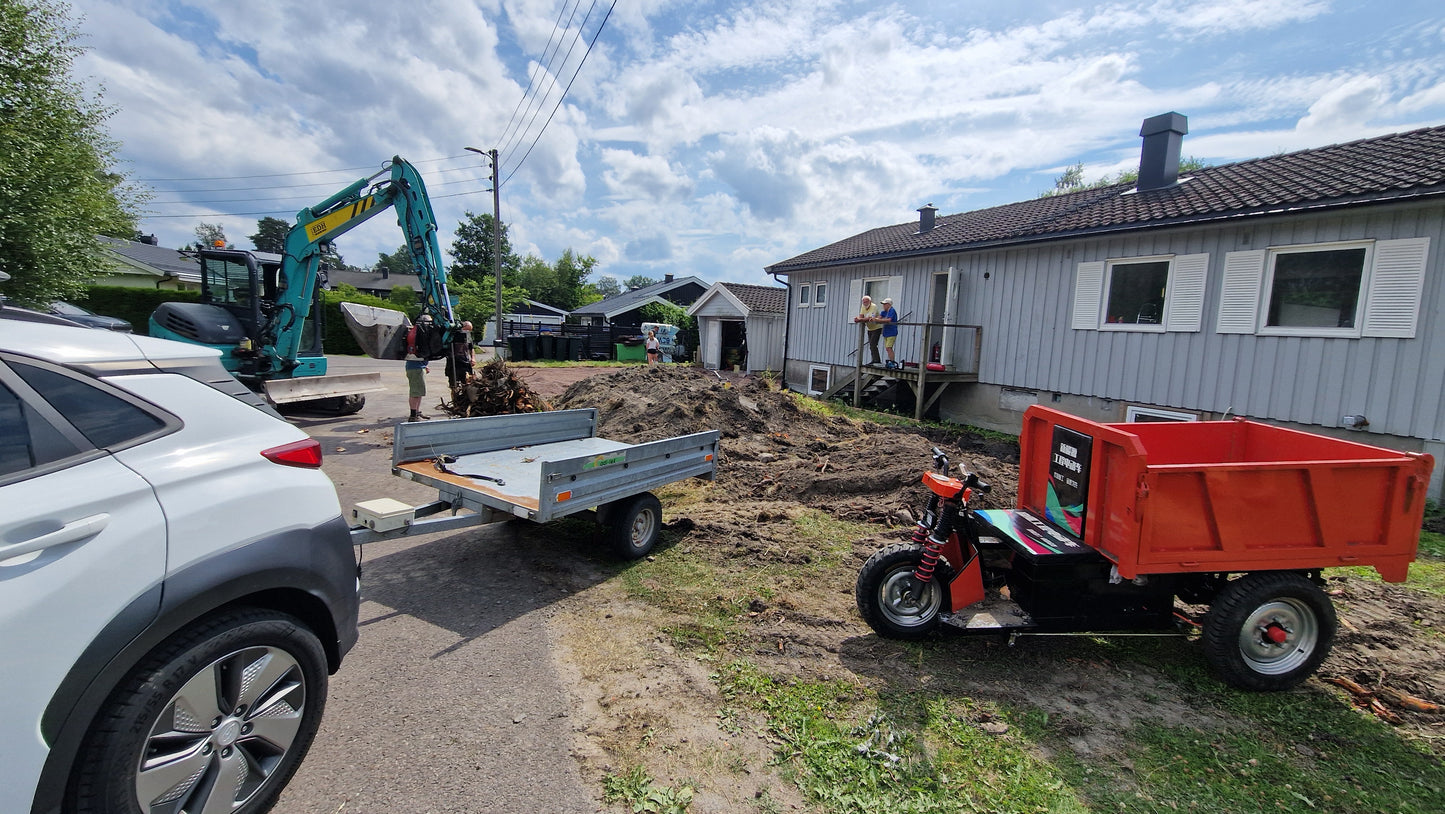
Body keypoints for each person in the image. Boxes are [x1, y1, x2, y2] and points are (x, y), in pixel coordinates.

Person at [405, 313, 432, 421]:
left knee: (419, 391)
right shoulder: (418, 334)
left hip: (419, 366)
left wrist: (425, 366)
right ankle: (413, 415)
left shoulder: (417, 332)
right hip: (415, 367)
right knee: (415, 392)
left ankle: (417, 411)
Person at [854, 294, 882, 365]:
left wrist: (860, 319)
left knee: (873, 344)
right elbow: (861, 316)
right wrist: (858, 319)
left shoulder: (873, 306)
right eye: (863, 302)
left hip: (877, 327)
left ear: (870, 301)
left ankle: (876, 360)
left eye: (866, 302)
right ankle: (874, 359)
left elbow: (869, 318)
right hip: (869, 328)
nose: (865, 303)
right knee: (871, 344)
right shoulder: (863, 307)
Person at [445, 320, 474, 386]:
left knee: (467, 382)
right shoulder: (452, 335)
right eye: (467, 330)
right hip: (453, 362)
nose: (468, 332)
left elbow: (471, 348)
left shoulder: (468, 335)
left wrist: (473, 358)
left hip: (465, 363)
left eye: (469, 330)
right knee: (454, 383)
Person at [877, 297, 900, 368]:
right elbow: (879, 317)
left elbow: (888, 320)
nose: (883, 306)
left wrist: (878, 321)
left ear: (888, 304)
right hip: (886, 332)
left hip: (892, 332)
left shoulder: (892, 310)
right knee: (887, 348)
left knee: (889, 347)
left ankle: (892, 362)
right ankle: (891, 361)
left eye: (884, 304)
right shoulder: (884, 312)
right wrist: (874, 319)